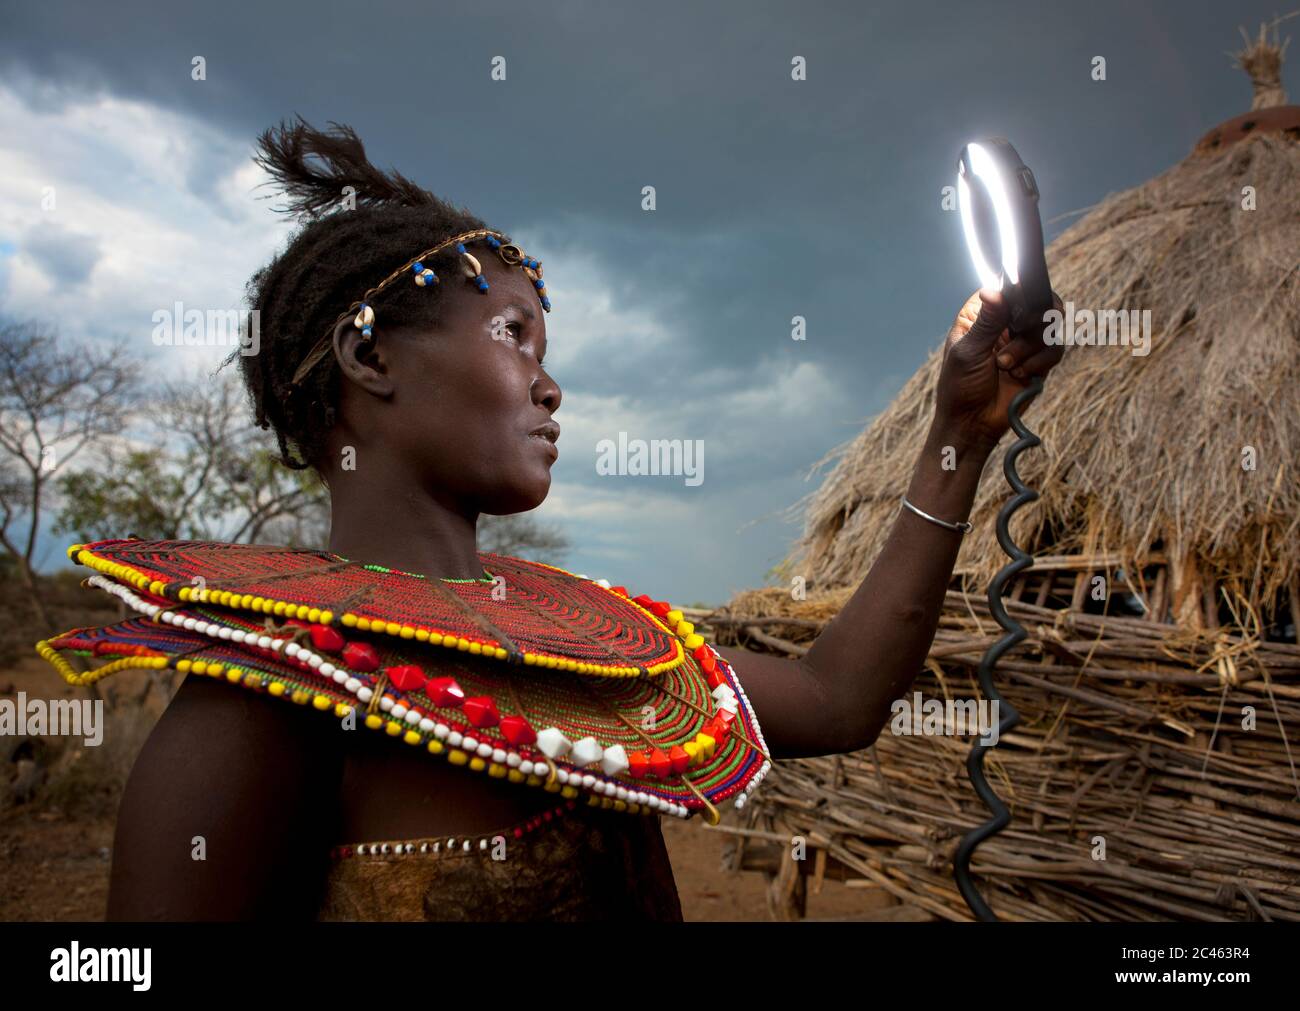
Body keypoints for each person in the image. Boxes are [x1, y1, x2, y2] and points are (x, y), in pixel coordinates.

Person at [38, 118, 1065, 921]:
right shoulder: (274, 696)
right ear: (370, 356)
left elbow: (840, 700)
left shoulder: (590, 638)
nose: (550, 385)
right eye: (514, 335)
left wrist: (957, 435)